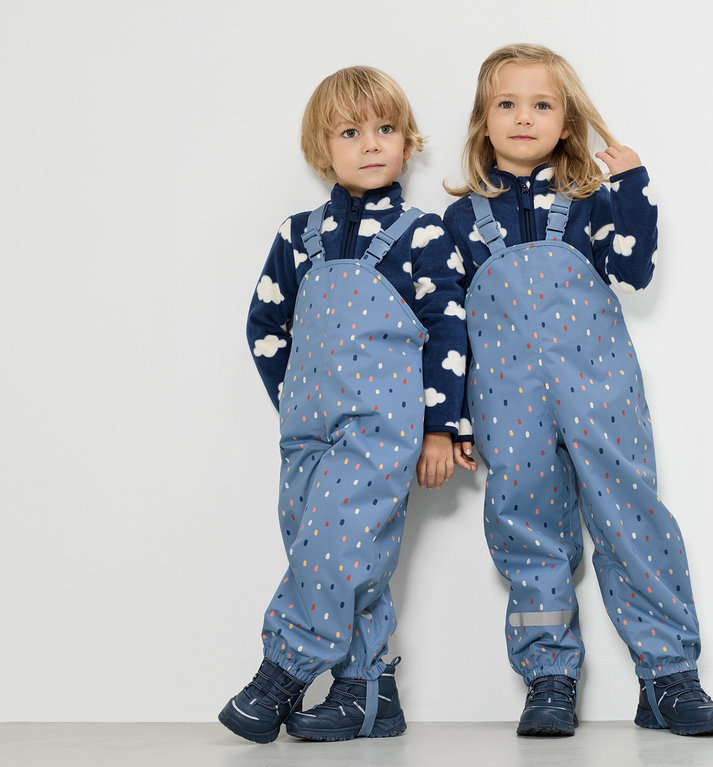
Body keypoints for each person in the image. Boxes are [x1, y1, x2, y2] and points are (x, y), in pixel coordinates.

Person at [443, 43, 713, 737]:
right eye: (506, 104)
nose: (523, 117)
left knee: (630, 515)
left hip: (600, 386)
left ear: (568, 123)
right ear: (483, 122)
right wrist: (449, 420)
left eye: (541, 104)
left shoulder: (590, 201)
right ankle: (549, 675)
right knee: (526, 524)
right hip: (507, 403)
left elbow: (633, 269)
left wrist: (631, 184)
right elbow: (446, 329)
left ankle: (669, 675)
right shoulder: (455, 225)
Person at [219, 66, 470, 744]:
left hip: (381, 425)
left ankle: (282, 669)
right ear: (320, 150)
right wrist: (294, 394)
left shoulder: (422, 235)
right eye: (351, 132)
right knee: (334, 554)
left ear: (407, 142)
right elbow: (264, 325)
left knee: (334, 546)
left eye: (385, 129)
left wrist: (441, 428)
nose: (370, 144)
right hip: (306, 429)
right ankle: (371, 692)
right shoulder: (297, 235)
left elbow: (448, 328)